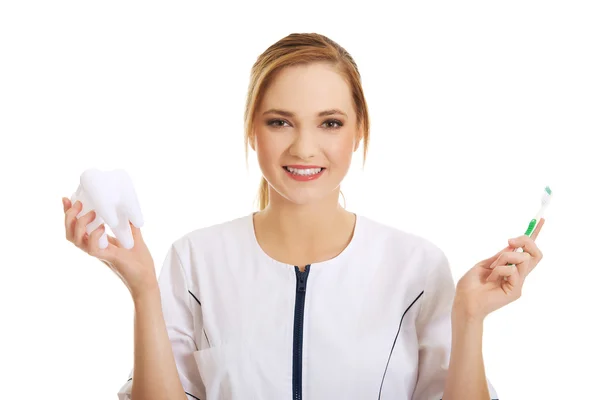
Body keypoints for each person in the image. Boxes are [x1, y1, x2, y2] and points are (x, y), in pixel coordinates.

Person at [62, 32, 545, 400]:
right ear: (253, 129)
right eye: (280, 122)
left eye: (330, 123)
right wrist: (144, 289)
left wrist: (470, 317)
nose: (304, 148)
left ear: (359, 131)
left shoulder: (416, 267)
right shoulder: (195, 261)